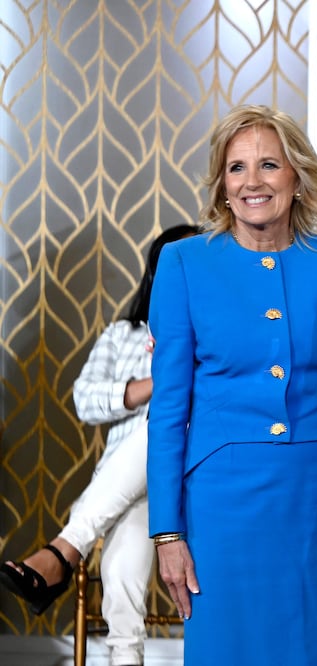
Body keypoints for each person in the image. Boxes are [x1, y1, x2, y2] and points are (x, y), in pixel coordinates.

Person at [146, 105, 317, 664]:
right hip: (222, 499)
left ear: (297, 177)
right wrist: (167, 533)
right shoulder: (183, 263)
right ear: (221, 184)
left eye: (269, 164)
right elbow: (168, 408)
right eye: (236, 168)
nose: (253, 182)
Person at [0, 224, 198, 666]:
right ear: (154, 275)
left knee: (159, 425)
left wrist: (179, 371)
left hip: (184, 476)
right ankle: (124, 658)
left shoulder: (213, 332)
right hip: (123, 487)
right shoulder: (122, 335)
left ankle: (62, 552)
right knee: (124, 561)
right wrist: (158, 381)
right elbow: (85, 399)